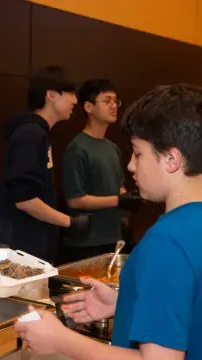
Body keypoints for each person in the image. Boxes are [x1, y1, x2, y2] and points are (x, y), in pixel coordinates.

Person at [15, 83, 202, 360]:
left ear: (171, 159)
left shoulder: (166, 242)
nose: (131, 165)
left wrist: (62, 341)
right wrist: (128, 303)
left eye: (138, 153)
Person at [0, 66, 91, 263]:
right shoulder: (30, 134)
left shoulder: (39, 133)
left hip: (33, 250)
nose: (75, 100)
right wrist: (69, 222)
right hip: (22, 252)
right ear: (51, 95)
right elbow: (25, 200)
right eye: (71, 93)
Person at [60, 79, 143, 263]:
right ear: (88, 106)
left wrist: (131, 199)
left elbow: (118, 187)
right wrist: (119, 200)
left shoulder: (113, 148)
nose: (114, 106)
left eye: (115, 101)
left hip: (114, 237)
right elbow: (74, 200)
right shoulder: (77, 148)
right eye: (107, 101)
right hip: (86, 242)